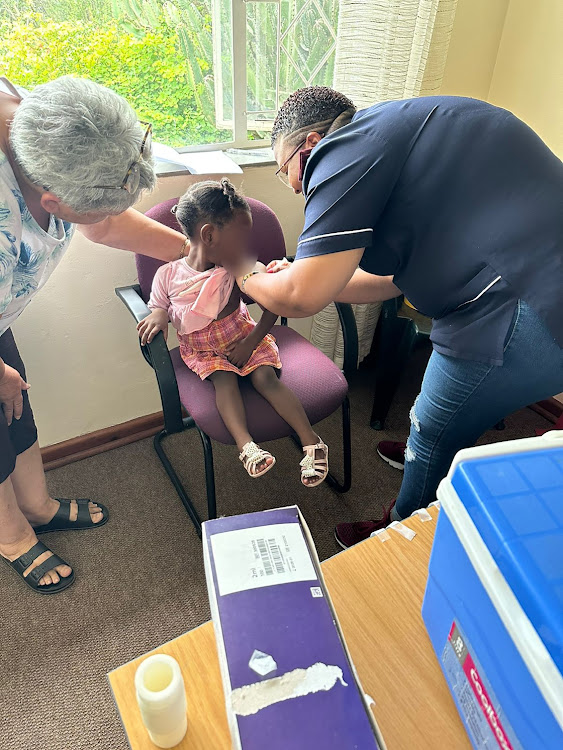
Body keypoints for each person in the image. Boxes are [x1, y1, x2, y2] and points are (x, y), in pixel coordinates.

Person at [235, 85, 563, 548]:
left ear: (308, 145)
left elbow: (299, 299)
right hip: (535, 281)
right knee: (447, 421)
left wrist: (242, 270)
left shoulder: (338, 150)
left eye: (286, 171)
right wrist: (307, 276)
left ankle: (403, 529)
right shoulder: (408, 125)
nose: (295, 186)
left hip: (522, 307)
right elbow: (392, 278)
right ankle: (433, 456)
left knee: (431, 427)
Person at [0, 76, 192, 593]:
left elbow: (105, 225)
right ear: (53, 202)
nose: (107, 216)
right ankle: (12, 536)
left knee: (18, 408)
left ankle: (36, 506)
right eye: (98, 206)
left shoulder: (52, 122)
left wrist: (194, 255)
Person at [137, 179, 329, 484]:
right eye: (239, 238)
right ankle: (247, 447)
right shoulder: (168, 274)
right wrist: (159, 315)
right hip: (203, 350)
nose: (245, 247)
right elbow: (158, 303)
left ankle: (312, 442)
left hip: (244, 337)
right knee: (224, 381)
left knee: (265, 378)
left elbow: (273, 303)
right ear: (209, 235)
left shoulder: (238, 267)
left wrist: (252, 342)